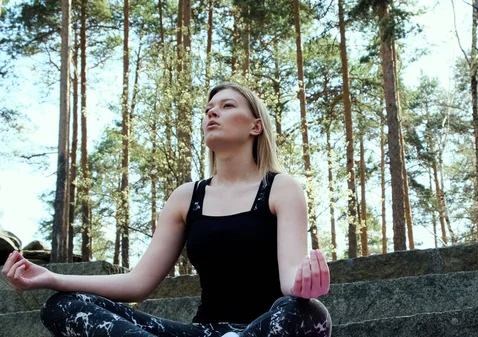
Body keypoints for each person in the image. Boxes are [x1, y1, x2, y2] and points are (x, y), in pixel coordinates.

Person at [1, 82, 332, 337]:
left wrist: (306, 286)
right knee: (66, 304)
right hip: (200, 330)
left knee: (308, 311)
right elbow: (139, 283)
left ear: (255, 126)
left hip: (262, 328)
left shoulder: (281, 188)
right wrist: (52, 278)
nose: (212, 113)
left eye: (226, 106)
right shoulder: (187, 197)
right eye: (208, 109)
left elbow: (291, 282)